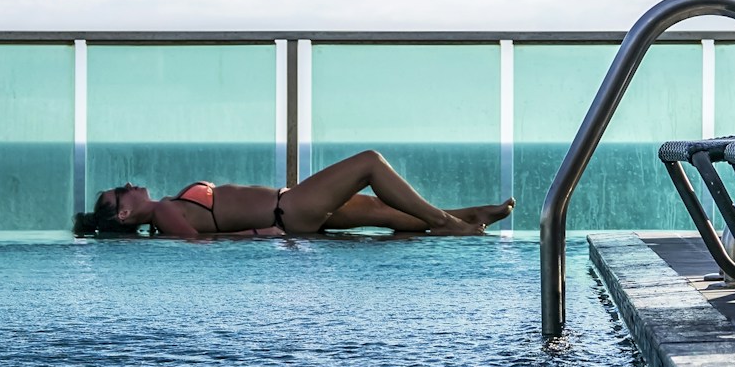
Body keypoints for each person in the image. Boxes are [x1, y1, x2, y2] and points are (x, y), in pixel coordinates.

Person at [72, 149, 514, 238]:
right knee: (369, 164)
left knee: (384, 212)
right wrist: (256, 233)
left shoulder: (168, 205)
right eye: (118, 193)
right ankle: (450, 224)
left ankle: (471, 215)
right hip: (288, 211)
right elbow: (200, 244)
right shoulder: (165, 212)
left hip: (290, 207)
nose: (127, 185)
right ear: (125, 215)